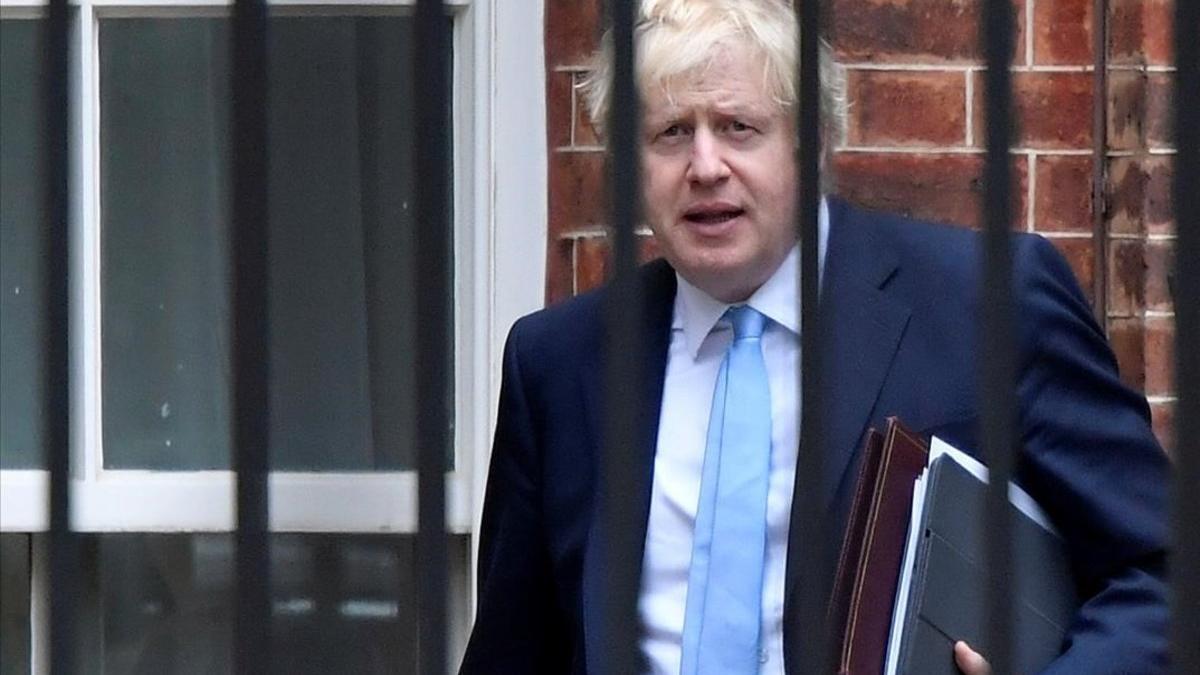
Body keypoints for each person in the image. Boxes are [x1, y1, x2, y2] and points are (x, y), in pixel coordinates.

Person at [460, 1, 1169, 673]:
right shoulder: (560, 365)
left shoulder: (988, 304)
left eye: (739, 127)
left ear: (815, 139)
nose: (705, 167)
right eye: (672, 132)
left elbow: (1162, 574)